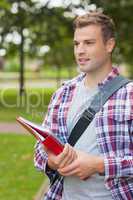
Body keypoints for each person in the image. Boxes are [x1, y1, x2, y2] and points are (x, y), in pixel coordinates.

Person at [34, 11, 133, 200]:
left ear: (109, 45)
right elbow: (39, 152)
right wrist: (52, 162)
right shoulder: (62, 94)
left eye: (89, 43)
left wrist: (99, 165)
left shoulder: (129, 95)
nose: (80, 50)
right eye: (76, 44)